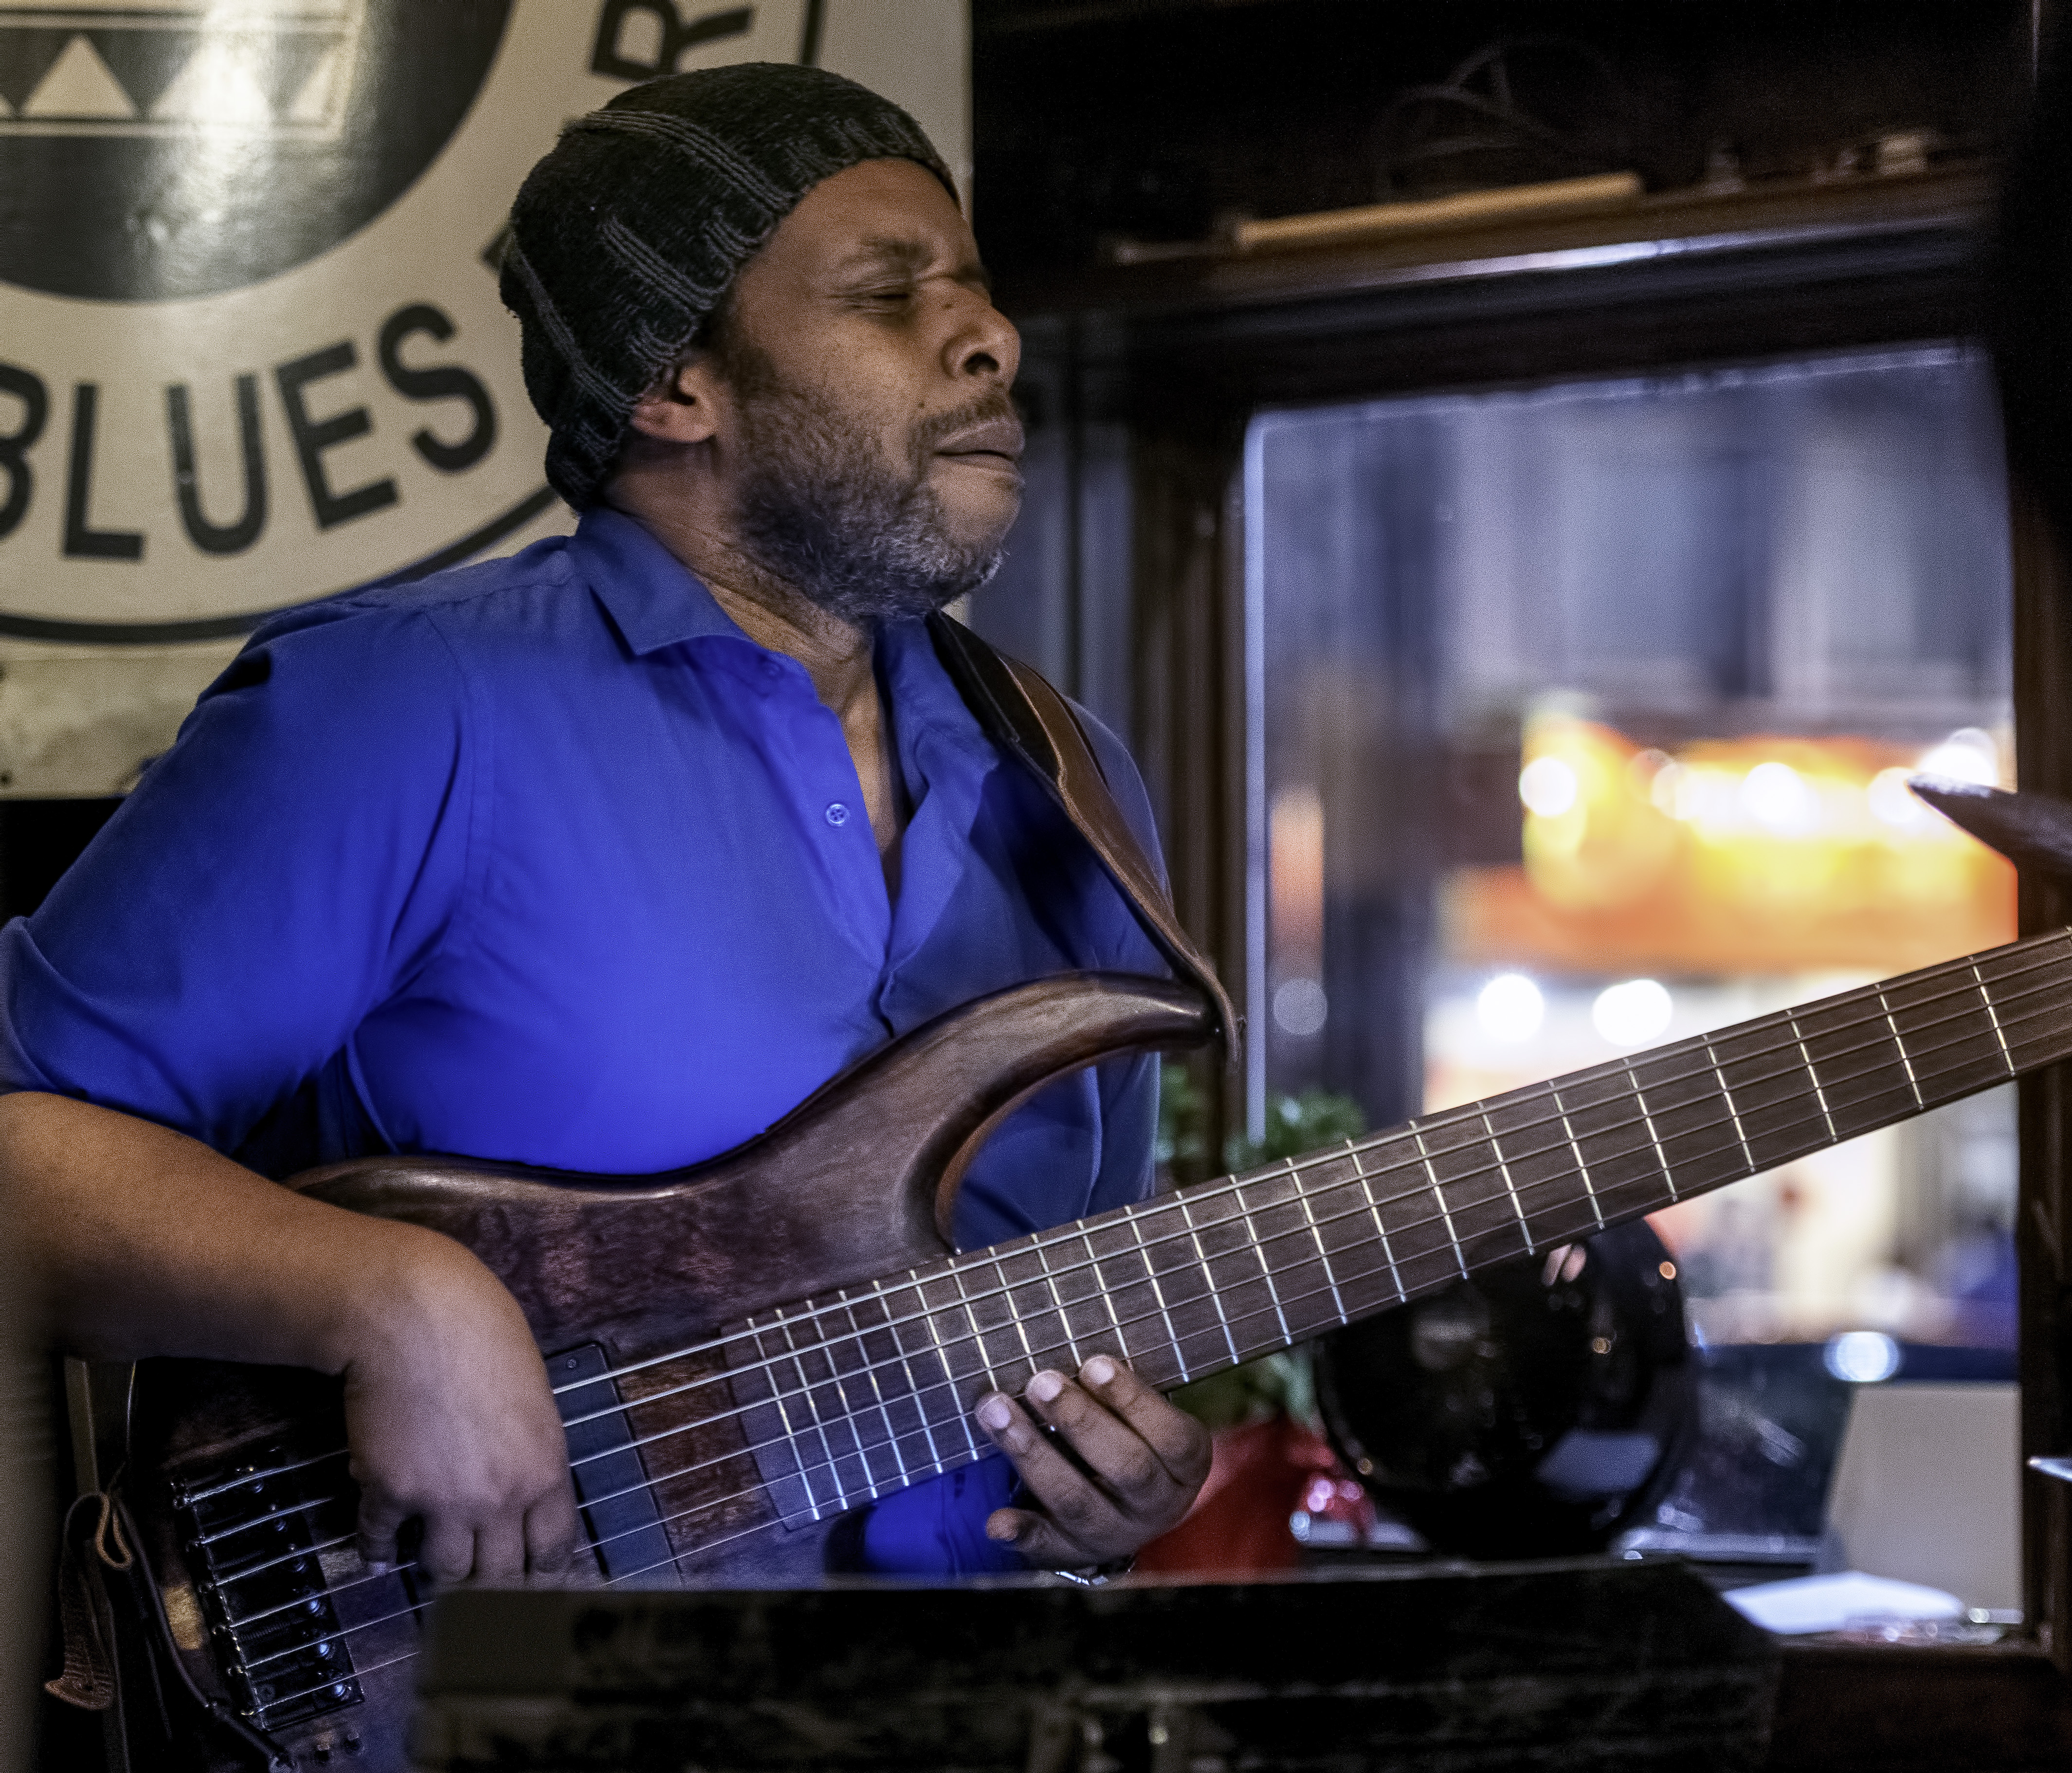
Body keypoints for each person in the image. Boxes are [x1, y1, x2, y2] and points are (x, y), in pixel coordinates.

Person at [0, 64, 1211, 1589]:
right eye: (889, 294)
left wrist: (1108, 1489)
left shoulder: (1073, 784)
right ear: (672, 386)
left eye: (972, 289)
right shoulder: (409, 703)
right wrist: (385, 1297)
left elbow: (1061, 1347)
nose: (993, 338)